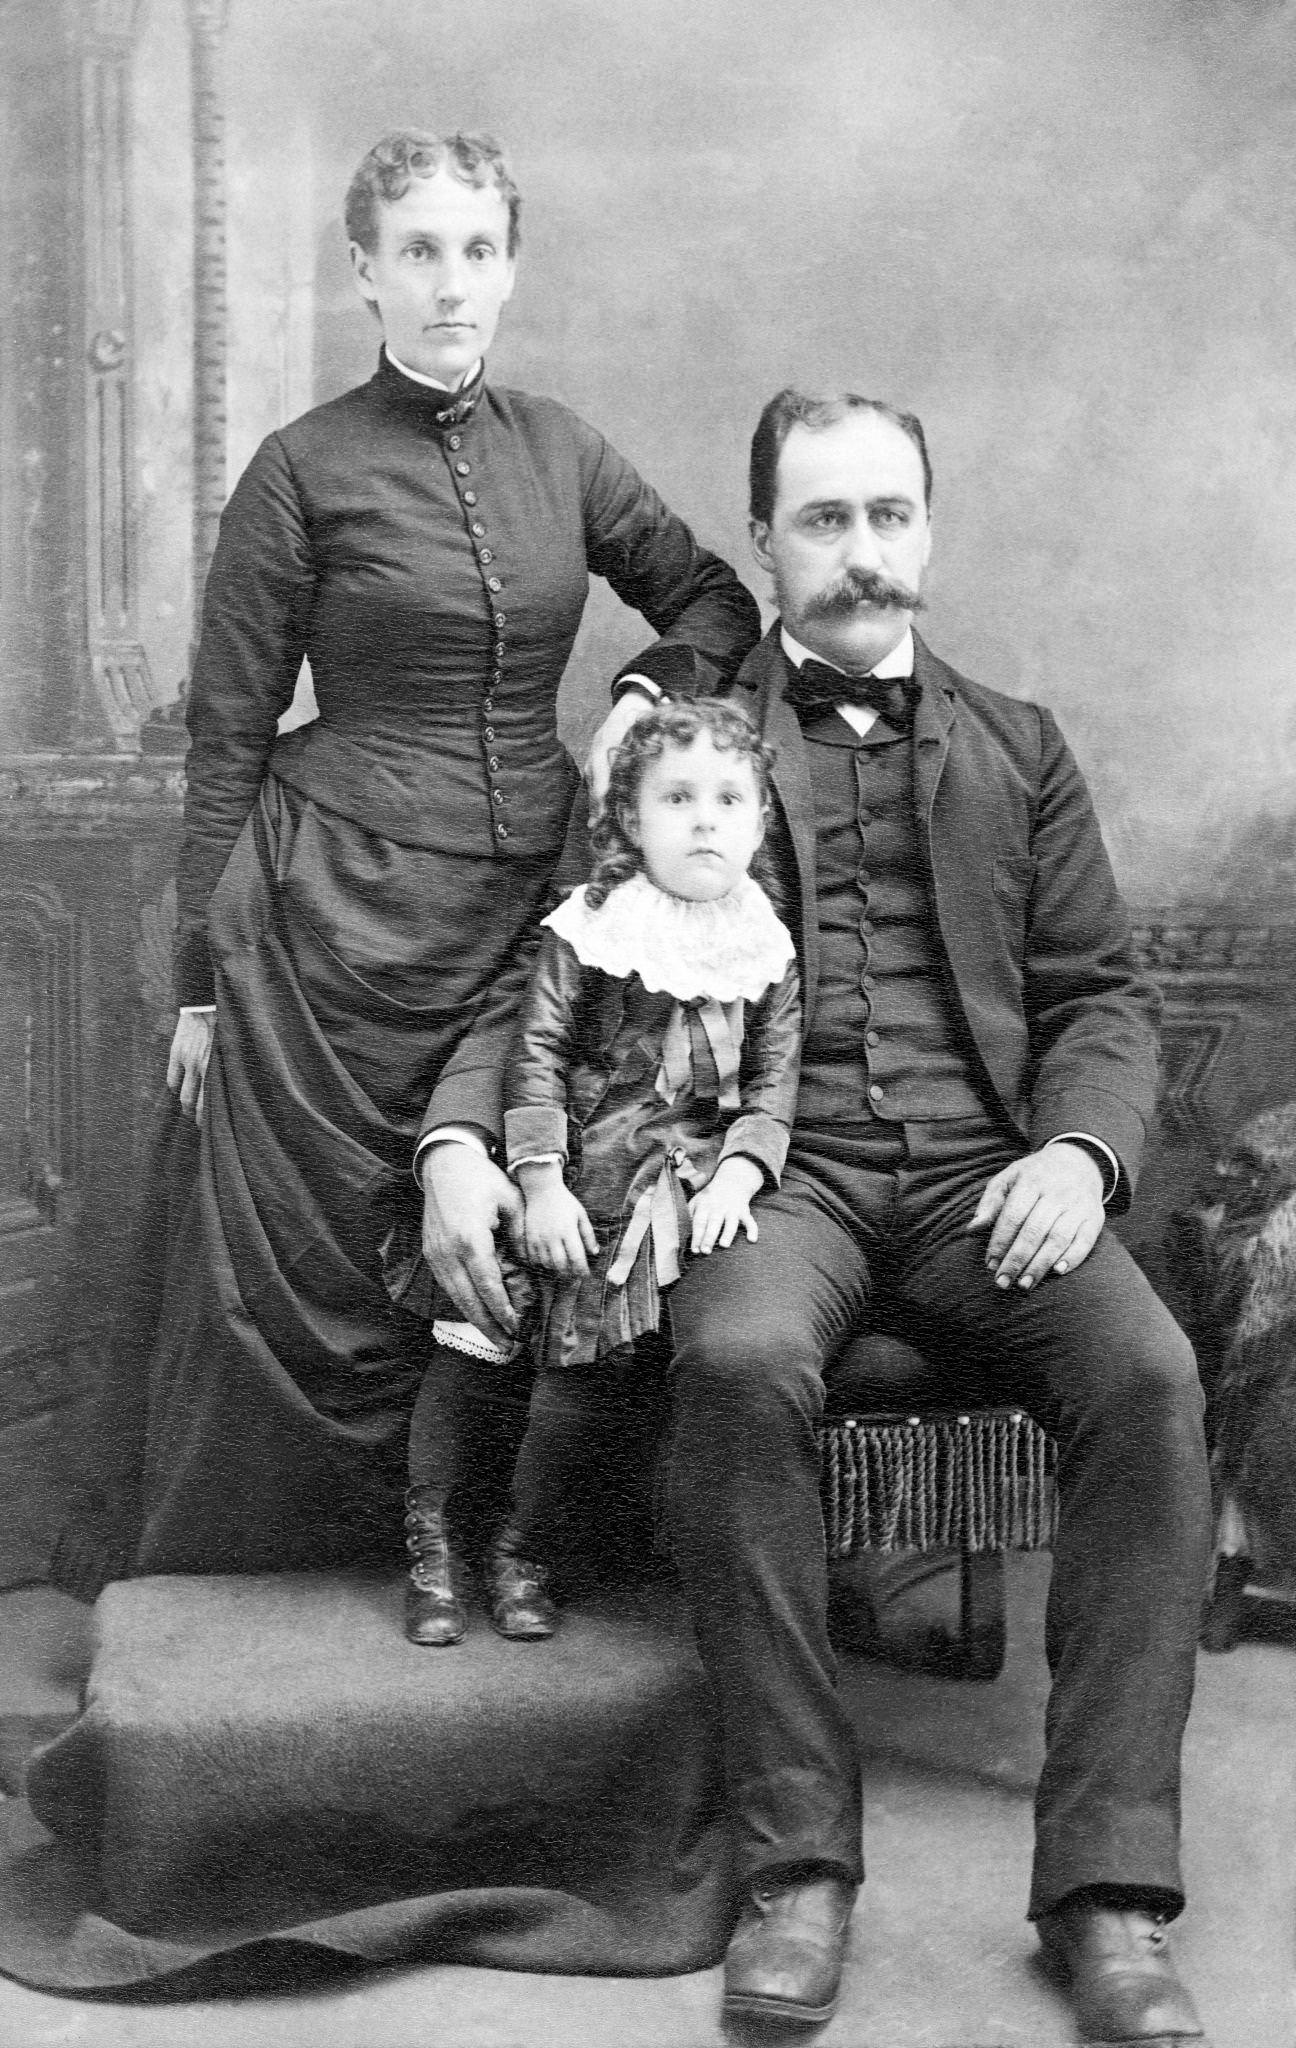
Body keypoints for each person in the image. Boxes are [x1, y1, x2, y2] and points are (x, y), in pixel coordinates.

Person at [427, 389, 1214, 2041]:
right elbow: (556, 971)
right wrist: (454, 1141)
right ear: (767, 544)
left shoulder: (1022, 745)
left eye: (888, 516)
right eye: (823, 520)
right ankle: (798, 1857)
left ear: (925, 532)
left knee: (1148, 1378)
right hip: (770, 1177)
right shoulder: (684, 749)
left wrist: (1077, 1157)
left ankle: (1111, 1884)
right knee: (733, 1358)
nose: (862, 552)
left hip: (990, 1175)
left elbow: (1101, 999)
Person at [64, 129, 759, 1588]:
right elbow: (229, 742)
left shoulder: (563, 451)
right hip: (334, 918)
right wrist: (200, 984)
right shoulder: (299, 470)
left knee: (525, 1219)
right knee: (340, 1258)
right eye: (421, 252)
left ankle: (505, 1541)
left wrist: (639, 692)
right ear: (366, 272)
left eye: (480, 251)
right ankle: (301, 1579)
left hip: (530, 913)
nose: (453, 284)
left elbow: (712, 599)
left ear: (512, 269)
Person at [395, 698, 800, 1647]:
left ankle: (524, 1551)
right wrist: (539, 1182)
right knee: (478, 1348)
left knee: (587, 1380)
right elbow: (532, 1053)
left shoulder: (767, 947)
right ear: (629, 821)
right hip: (569, 1161)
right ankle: (432, 1550)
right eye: (677, 797)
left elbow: (773, 1083)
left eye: (730, 799)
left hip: (664, 1190)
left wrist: (741, 1174)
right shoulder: (594, 928)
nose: (706, 819)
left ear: (760, 822)